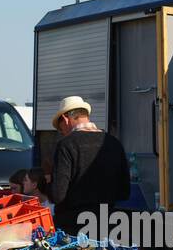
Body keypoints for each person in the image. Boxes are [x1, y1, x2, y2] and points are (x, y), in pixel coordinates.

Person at [47, 96, 130, 235]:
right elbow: (124, 192)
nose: (62, 132)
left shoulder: (66, 145)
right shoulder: (114, 143)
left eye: (60, 127)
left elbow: (58, 196)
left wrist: (47, 184)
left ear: (65, 119)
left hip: (74, 228)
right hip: (109, 225)